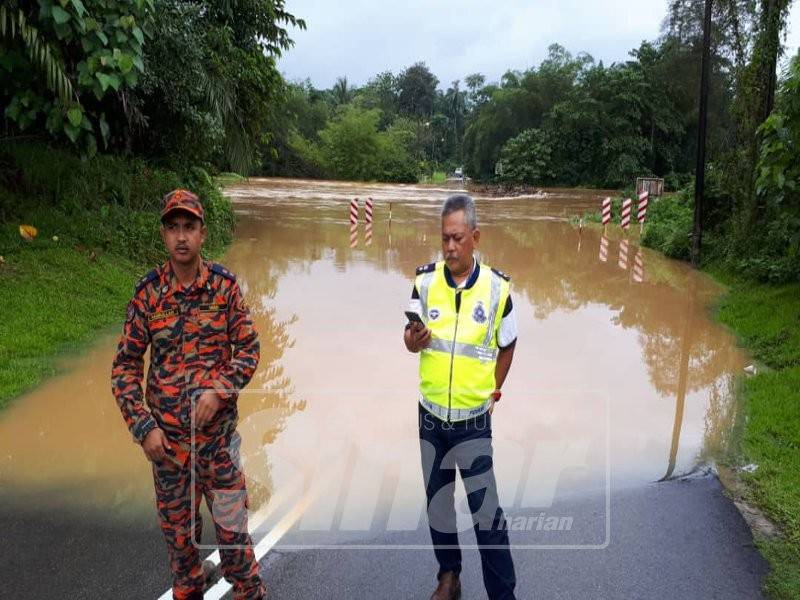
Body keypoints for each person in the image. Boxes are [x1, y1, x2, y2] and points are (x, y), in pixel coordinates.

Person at [111, 189, 266, 600]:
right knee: (183, 561)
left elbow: (249, 349)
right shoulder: (147, 294)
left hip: (219, 448)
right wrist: (143, 428)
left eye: (189, 227)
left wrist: (220, 390)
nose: (181, 236)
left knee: (236, 545)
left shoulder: (224, 287)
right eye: (173, 227)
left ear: (202, 233)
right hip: (170, 455)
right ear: (164, 234)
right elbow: (125, 367)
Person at [404, 194, 517, 600]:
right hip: (431, 415)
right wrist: (412, 340)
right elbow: (408, 340)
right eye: (444, 239)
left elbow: (508, 343)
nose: (449, 247)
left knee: (487, 515)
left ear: (475, 237)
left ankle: (503, 595)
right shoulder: (424, 281)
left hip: (472, 419)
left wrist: (494, 389)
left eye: (457, 238)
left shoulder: (497, 289)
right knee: (438, 503)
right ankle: (449, 577)